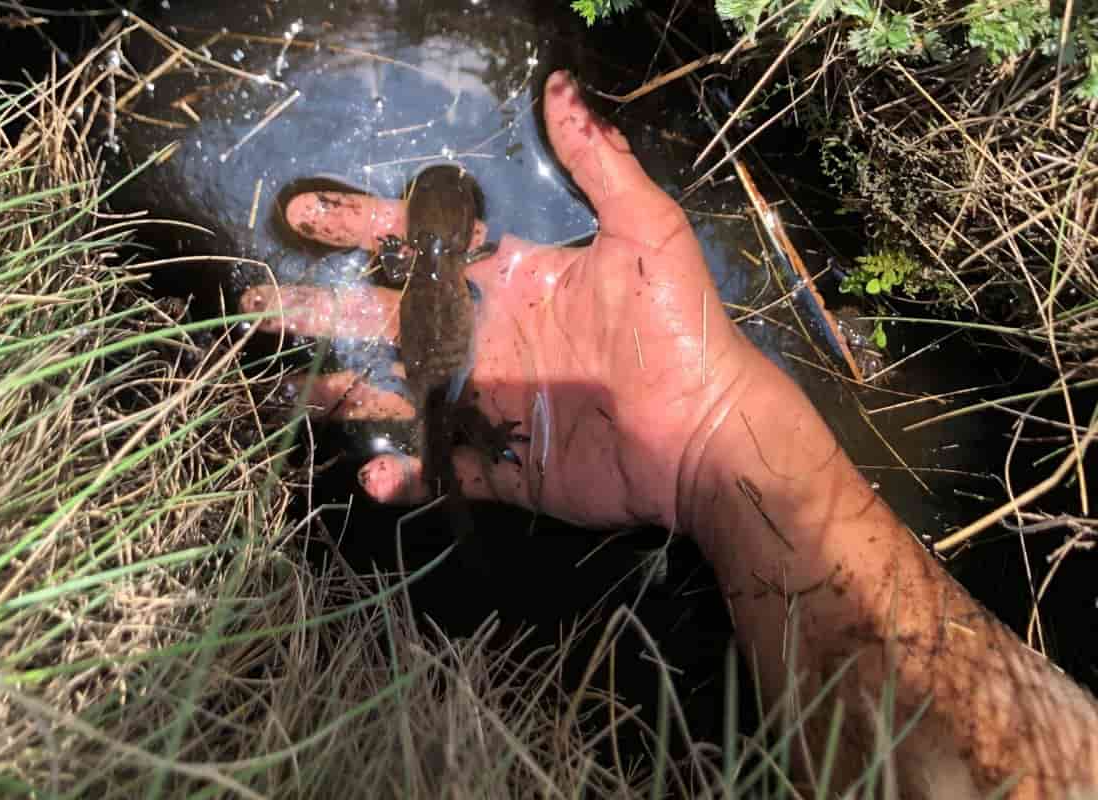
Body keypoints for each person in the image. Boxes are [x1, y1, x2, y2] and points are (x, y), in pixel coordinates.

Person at [239, 70, 1098, 798]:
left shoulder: (434, 261)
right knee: (450, 441)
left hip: (453, 387)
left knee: (441, 442)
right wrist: (711, 436)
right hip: (457, 388)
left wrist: (711, 429)